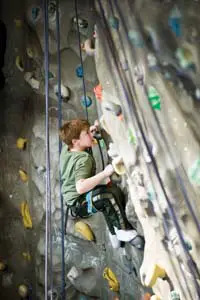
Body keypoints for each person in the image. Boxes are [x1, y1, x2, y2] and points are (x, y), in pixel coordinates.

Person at [59, 119, 144, 249]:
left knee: (110, 195)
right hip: (79, 203)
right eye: (86, 133)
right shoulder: (83, 159)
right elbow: (80, 187)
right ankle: (123, 231)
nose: (90, 135)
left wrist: (90, 132)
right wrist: (104, 173)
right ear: (75, 141)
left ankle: (113, 233)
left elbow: (78, 139)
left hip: (73, 198)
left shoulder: (68, 149)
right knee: (107, 196)